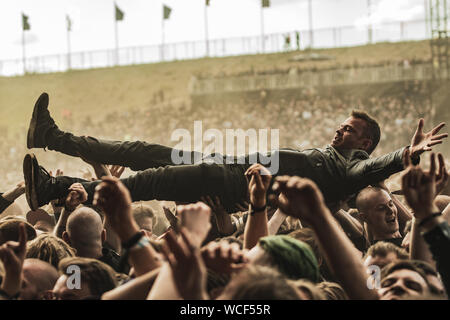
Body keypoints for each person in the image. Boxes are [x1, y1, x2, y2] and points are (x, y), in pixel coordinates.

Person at [24, 92, 447, 213]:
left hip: (224, 183)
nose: (340, 129)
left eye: (350, 129)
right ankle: (51, 135)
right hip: (220, 168)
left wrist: (402, 155)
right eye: (343, 124)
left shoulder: (351, 168)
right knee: (137, 150)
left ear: (365, 143)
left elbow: (367, 173)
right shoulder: (331, 157)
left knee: (140, 184)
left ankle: (56, 187)